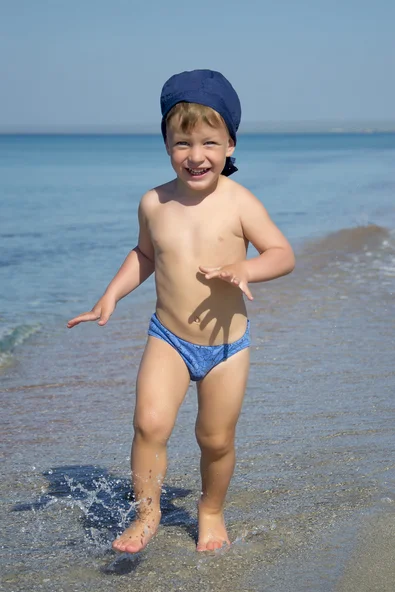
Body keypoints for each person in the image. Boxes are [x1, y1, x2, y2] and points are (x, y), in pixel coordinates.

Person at [67, 69, 295, 553]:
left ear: (230, 144)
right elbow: (147, 256)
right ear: (167, 145)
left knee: (214, 439)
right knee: (149, 424)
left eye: (210, 143)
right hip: (167, 337)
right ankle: (147, 515)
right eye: (182, 143)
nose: (196, 156)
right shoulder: (154, 202)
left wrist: (245, 269)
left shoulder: (239, 203)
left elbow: (282, 254)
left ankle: (210, 510)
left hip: (227, 348)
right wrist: (110, 295)